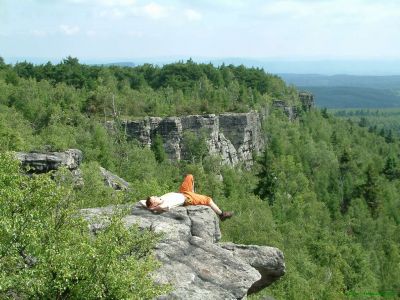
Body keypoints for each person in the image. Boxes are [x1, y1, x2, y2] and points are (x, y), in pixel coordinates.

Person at [146, 174, 233, 221]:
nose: (156, 196)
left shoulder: (160, 199)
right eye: (154, 198)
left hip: (183, 192)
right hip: (187, 199)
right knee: (208, 199)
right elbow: (161, 208)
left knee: (190, 176)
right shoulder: (165, 204)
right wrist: (152, 208)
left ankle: (193, 193)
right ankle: (221, 214)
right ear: (154, 204)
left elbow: (142, 202)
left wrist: (149, 203)